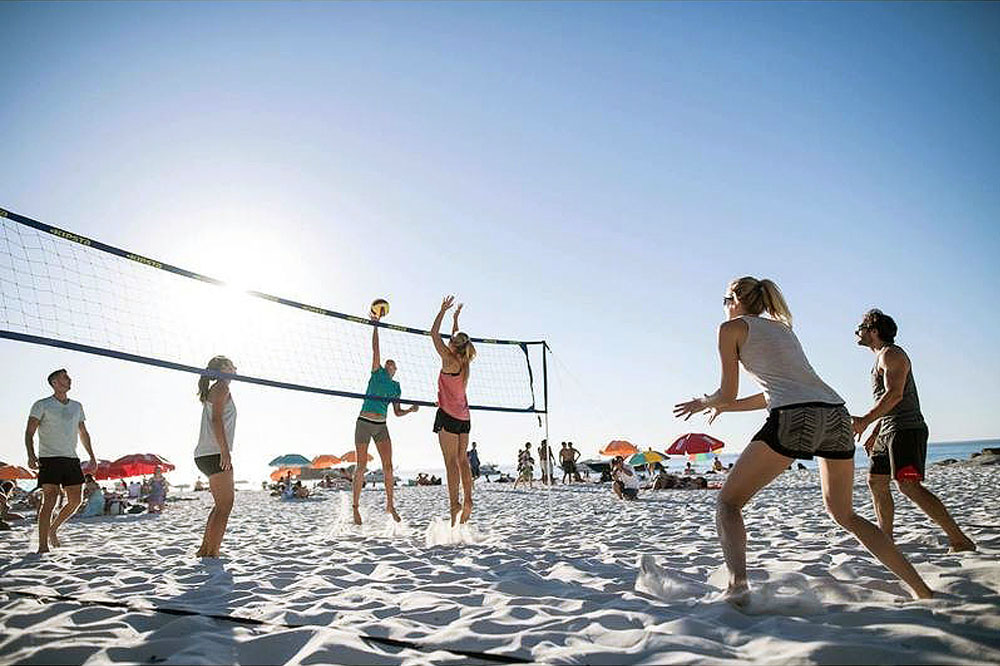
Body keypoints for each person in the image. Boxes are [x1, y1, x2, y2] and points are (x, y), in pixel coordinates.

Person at [673, 277, 932, 604]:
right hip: (837, 414)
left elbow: (729, 391)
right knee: (846, 515)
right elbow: (775, 391)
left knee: (728, 503)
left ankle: (737, 587)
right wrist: (725, 407)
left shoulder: (731, 329)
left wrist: (710, 401)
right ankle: (921, 589)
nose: (724, 307)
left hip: (796, 418)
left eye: (725, 300)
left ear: (735, 300)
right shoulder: (782, 329)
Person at [853, 309, 975, 552]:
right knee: (876, 482)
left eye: (860, 328)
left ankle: (959, 539)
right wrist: (876, 432)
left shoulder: (892, 354)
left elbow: (895, 394)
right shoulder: (879, 358)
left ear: (874, 331)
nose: (857, 333)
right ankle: (886, 541)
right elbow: (885, 401)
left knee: (908, 485)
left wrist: (865, 420)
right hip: (887, 430)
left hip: (906, 429)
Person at [352, 311, 419, 525]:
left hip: (381, 425)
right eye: (387, 362)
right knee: (361, 466)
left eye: (393, 364)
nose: (389, 364)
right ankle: (355, 507)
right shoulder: (377, 372)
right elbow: (376, 349)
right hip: (364, 422)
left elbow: (397, 412)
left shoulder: (395, 387)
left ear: (395, 370)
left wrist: (410, 410)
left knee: (388, 467)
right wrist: (376, 326)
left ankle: (390, 505)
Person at [25, 368, 97, 554]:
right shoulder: (42, 405)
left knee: (76, 500)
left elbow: (83, 432)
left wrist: (92, 456)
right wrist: (31, 455)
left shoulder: (77, 406)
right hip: (49, 458)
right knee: (50, 499)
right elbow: (29, 432)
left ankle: (53, 529)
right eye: (65, 377)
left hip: (71, 458)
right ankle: (42, 546)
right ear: (54, 382)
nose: (69, 379)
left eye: (69, 376)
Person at [431, 296, 476, 525]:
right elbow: (453, 338)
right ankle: (468, 499)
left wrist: (441, 311)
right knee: (462, 460)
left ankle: (454, 505)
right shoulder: (464, 361)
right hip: (464, 417)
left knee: (450, 462)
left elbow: (434, 334)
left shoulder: (448, 359)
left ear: (454, 346)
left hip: (448, 415)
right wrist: (455, 318)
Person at [193, 355, 238, 558]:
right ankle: (213, 552)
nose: (235, 368)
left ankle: (205, 549)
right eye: (231, 366)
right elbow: (216, 420)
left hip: (205, 454)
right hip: (214, 452)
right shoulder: (221, 387)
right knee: (225, 506)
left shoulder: (217, 388)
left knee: (220, 505)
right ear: (222, 369)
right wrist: (225, 451)